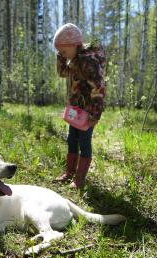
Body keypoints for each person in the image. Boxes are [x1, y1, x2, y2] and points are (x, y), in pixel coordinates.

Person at [53, 23, 106, 189]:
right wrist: (61, 56)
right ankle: (69, 173)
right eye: (60, 52)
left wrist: (95, 115)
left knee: (84, 142)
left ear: (75, 45)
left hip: (88, 112)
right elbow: (62, 73)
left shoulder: (88, 62)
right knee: (72, 139)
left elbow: (99, 87)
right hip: (75, 110)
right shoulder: (74, 61)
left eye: (64, 51)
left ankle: (80, 178)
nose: (62, 55)